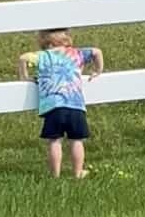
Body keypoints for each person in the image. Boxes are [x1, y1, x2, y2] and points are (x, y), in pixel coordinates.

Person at [18, 29, 103, 179]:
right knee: (76, 141)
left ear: (46, 42)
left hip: (52, 107)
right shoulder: (76, 53)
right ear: (67, 39)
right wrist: (98, 70)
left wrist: (25, 77)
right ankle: (78, 172)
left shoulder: (42, 56)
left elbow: (23, 58)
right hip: (75, 106)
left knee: (54, 141)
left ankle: (55, 174)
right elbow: (96, 52)